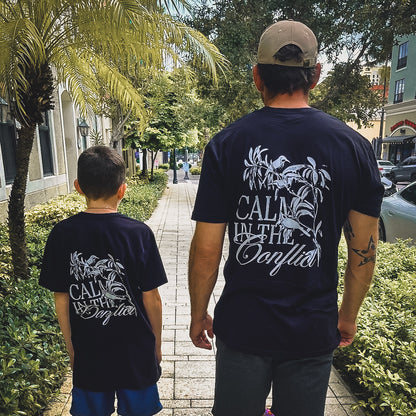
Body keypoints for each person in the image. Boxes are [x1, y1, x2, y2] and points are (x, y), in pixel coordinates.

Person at [188, 20, 384, 416]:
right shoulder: (356, 148)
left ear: (257, 75)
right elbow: (364, 251)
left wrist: (198, 314)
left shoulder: (226, 145)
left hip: (242, 327)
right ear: (316, 75)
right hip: (313, 329)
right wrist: (347, 317)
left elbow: (207, 248)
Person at [39, 146, 167, 416]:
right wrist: (155, 345)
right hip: (136, 351)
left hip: (89, 351)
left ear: (78, 187)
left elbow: (61, 298)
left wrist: (71, 348)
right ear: (123, 189)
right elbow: (151, 298)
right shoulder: (139, 234)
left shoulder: (61, 234)